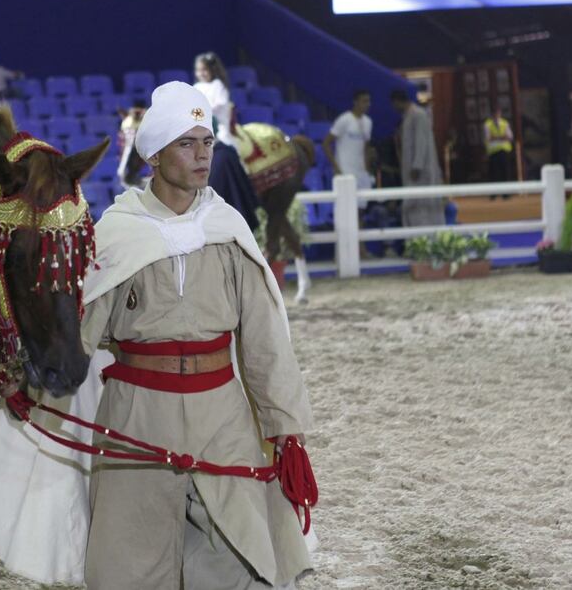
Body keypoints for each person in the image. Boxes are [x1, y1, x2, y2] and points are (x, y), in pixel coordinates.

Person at [80, 81, 313, 587]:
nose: (202, 154)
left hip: (222, 413)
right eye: (186, 143)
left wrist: (284, 424)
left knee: (238, 557)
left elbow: (264, 336)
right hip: (135, 414)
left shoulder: (226, 227)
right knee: (128, 562)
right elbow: (77, 337)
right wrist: (28, 383)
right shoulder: (117, 233)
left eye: (206, 141)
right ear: (155, 156)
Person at [193, 51, 262, 231]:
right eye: (198, 70)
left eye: (203, 70)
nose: (200, 73)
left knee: (225, 154)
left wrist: (196, 111)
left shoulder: (218, 87)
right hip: (200, 129)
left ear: (211, 70)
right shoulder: (196, 87)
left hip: (219, 131)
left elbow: (215, 109)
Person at [391, 89, 445, 227]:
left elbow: (421, 142)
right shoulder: (408, 116)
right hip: (412, 171)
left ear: (397, 101)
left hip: (420, 172)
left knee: (423, 206)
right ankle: (416, 239)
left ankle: (426, 241)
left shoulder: (418, 114)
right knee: (414, 205)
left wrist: (417, 165)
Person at [324, 90, 373, 191]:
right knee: (346, 204)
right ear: (355, 102)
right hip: (344, 171)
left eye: (368, 101)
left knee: (362, 205)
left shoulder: (368, 122)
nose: (368, 104)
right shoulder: (344, 119)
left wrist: (366, 169)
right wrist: (336, 168)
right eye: (364, 101)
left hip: (361, 172)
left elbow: (366, 148)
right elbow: (326, 144)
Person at [483, 102, 515, 196]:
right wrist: (501, 137)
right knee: (493, 173)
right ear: (492, 114)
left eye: (498, 113)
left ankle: (506, 194)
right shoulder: (487, 124)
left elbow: (509, 136)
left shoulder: (504, 123)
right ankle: (493, 194)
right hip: (493, 152)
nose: (497, 115)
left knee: (505, 172)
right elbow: (488, 138)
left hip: (504, 151)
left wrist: (496, 137)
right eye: (495, 113)